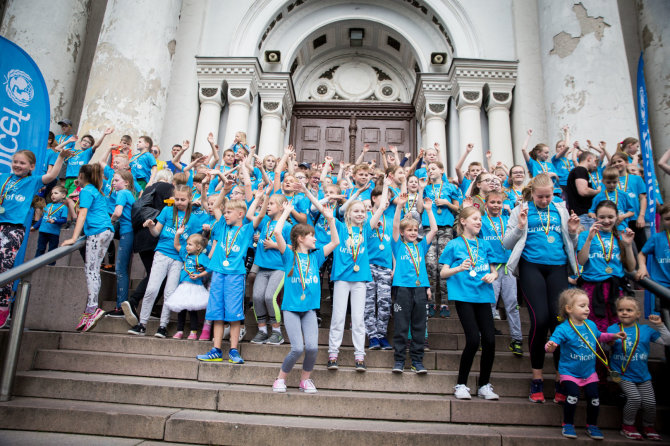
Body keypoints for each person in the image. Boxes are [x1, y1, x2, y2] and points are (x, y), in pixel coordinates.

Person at [502, 173, 581, 403]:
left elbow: (571, 243)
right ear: (532, 194)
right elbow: (507, 243)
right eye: (540, 197)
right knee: (540, 320)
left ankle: (560, 378)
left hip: (557, 267)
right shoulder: (521, 209)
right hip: (531, 268)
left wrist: (574, 231)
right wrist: (520, 226)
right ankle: (537, 378)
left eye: (548, 196)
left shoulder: (560, 209)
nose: (545, 200)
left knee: (559, 323)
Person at [271, 203, 339, 393]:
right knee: (297, 348)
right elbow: (277, 232)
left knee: (312, 348)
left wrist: (331, 219)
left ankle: (305, 381)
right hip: (291, 308)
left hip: (309, 309)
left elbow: (334, 242)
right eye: (312, 236)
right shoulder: (288, 255)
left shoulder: (316, 257)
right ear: (301, 239)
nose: (316, 239)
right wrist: (285, 211)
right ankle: (280, 379)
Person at [0, 149, 70, 328]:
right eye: (15, 162)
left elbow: (52, 175)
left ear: (31, 166)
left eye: (22, 163)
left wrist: (61, 157)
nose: (17, 165)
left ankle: (3, 307)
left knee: (4, 265)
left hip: (14, 228)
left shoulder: (33, 181)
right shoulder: (4, 177)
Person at [545, 288, 626, 440]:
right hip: (569, 372)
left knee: (594, 397)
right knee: (573, 395)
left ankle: (592, 425)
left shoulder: (591, 324)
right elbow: (553, 342)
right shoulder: (563, 328)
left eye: (588, 306)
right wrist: (550, 346)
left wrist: (613, 335)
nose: (587, 309)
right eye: (582, 306)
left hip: (589, 373)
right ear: (568, 309)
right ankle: (568, 424)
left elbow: (600, 336)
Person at [440, 207, 499, 400]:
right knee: (473, 339)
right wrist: (458, 268)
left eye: (480, 219)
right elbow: (443, 273)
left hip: (483, 295)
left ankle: (484, 385)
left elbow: (494, 270)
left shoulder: (484, 244)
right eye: (475, 218)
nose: (479, 221)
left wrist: (493, 275)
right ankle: (461, 384)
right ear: (463, 221)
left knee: (490, 340)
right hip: (464, 296)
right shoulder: (453, 244)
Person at [127, 184, 200, 337]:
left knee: (169, 292)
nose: (179, 202)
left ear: (190, 199)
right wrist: (151, 226)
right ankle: (142, 323)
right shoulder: (167, 210)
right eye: (177, 199)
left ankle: (163, 326)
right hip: (161, 254)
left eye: (183, 200)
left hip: (178, 258)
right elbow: (156, 233)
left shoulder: (193, 219)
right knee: (152, 289)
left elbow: (194, 243)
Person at [197, 199, 259, 364]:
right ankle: (216, 350)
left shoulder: (246, 230)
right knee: (217, 313)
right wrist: (224, 190)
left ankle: (233, 350)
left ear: (240, 214)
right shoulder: (222, 226)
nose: (225, 215)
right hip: (218, 272)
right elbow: (215, 206)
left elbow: (257, 219)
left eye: (228, 212)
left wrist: (261, 197)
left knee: (233, 314)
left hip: (235, 275)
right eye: (224, 213)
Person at [327, 195, 385, 372]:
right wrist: (306, 190)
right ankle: (332, 354)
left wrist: (385, 184)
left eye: (363, 211)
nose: (360, 214)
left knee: (359, 319)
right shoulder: (340, 226)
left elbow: (381, 207)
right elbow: (328, 215)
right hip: (342, 279)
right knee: (338, 318)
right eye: (356, 211)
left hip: (360, 279)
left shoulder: (366, 229)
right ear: (348, 214)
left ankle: (360, 356)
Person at [61, 164, 115, 332]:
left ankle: (92, 308)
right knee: (94, 270)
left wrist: (73, 238)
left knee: (90, 270)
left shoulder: (87, 191)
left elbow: (82, 214)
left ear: (83, 175)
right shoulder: (94, 189)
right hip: (106, 231)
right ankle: (91, 308)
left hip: (98, 232)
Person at [608, 296, 668, 441]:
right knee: (635, 398)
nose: (624, 313)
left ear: (638, 314)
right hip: (621, 373)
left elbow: (667, 340)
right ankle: (627, 426)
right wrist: (610, 340)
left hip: (642, 375)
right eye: (621, 310)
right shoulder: (613, 328)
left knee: (650, 402)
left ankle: (648, 426)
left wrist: (660, 325)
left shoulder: (646, 330)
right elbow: (603, 346)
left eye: (629, 310)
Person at [391, 193, 437, 373]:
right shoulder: (397, 245)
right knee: (401, 325)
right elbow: (395, 225)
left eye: (415, 230)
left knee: (419, 325)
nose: (412, 233)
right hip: (402, 288)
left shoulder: (421, 246)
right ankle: (399, 360)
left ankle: (417, 361)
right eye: (409, 230)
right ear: (402, 233)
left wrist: (429, 210)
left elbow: (433, 229)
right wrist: (399, 207)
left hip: (420, 288)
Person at [577, 201, 636, 333]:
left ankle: (615, 354)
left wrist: (627, 245)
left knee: (616, 329)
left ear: (617, 217)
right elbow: (581, 261)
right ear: (595, 217)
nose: (606, 221)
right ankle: (599, 354)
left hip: (616, 289)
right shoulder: (586, 235)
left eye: (610, 217)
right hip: (592, 288)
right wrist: (589, 239)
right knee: (596, 329)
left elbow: (631, 267)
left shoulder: (622, 236)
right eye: (602, 217)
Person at [480, 191, 523, 356]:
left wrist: (513, 210)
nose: (496, 205)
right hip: (491, 267)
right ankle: (486, 338)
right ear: (486, 204)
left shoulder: (508, 220)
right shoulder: (482, 221)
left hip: (509, 267)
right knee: (490, 304)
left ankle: (517, 340)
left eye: (499, 202)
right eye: (492, 202)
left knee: (512, 304)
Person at [247, 190, 292, 345]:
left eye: (272, 204)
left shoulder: (287, 226)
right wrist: (263, 197)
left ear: (281, 207)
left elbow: (293, 247)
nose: (268, 207)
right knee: (257, 297)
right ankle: (262, 330)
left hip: (279, 268)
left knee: (269, 297)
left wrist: (275, 245)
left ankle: (277, 332)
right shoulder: (265, 222)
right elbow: (249, 216)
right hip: (263, 267)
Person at [423, 161, 459, 318]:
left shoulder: (451, 187)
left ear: (442, 170)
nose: (430, 171)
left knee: (443, 264)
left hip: (446, 228)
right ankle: (430, 302)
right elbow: (419, 208)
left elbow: (459, 208)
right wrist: (419, 189)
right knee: (430, 263)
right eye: (428, 169)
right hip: (429, 228)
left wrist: (446, 203)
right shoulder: (425, 188)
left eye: (433, 168)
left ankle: (444, 302)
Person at [363, 181, 393, 350]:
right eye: (383, 196)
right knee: (368, 302)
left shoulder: (389, 219)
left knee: (385, 302)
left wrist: (394, 267)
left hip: (385, 267)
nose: (386, 200)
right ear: (374, 198)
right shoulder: (366, 216)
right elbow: (369, 228)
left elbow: (394, 246)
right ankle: (372, 336)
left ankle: (382, 334)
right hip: (368, 265)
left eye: (389, 197)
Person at [167, 228, 210, 340]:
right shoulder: (185, 255)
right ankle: (180, 330)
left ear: (198, 247)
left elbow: (210, 269)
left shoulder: (202, 258)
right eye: (187, 244)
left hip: (195, 286)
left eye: (190, 244)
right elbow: (176, 245)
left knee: (192, 310)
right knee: (181, 309)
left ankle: (193, 332)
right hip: (183, 286)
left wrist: (200, 275)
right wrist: (177, 234)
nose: (187, 246)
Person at [108, 170, 136, 316]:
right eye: (113, 180)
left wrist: (110, 222)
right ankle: (121, 305)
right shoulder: (129, 194)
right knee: (122, 269)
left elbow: (118, 212)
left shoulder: (122, 193)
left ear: (126, 182)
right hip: (129, 232)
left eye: (116, 180)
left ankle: (121, 306)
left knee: (120, 269)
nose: (113, 183)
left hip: (127, 232)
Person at [586, 167, 634, 233]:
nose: (611, 185)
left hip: (621, 227)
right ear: (603, 181)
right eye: (608, 182)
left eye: (614, 182)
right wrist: (593, 215)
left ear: (618, 180)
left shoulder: (624, 195)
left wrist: (622, 216)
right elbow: (591, 211)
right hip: (604, 229)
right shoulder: (598, 197)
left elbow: (632, 212)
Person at [566, 151, 601, 230]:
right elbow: (583, 191)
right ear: (589, 159)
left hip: (583, 216)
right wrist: (597, 192)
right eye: (595, 161)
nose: (596, 165)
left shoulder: (579, 170)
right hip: (583, 216)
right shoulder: (581, 170)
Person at [34, 185, 68, 259]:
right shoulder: (48, 205)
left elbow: (64, 220)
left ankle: (50, 265)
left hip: (54, 233)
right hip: (43, 231)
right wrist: (35, 227)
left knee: (52, 250)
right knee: (40, 248)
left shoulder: (64, 207)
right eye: (52, 193)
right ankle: (35, 264)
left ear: (63, 195)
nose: (53, 195)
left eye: (56, 193)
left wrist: (54, 221)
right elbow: (43, 218)